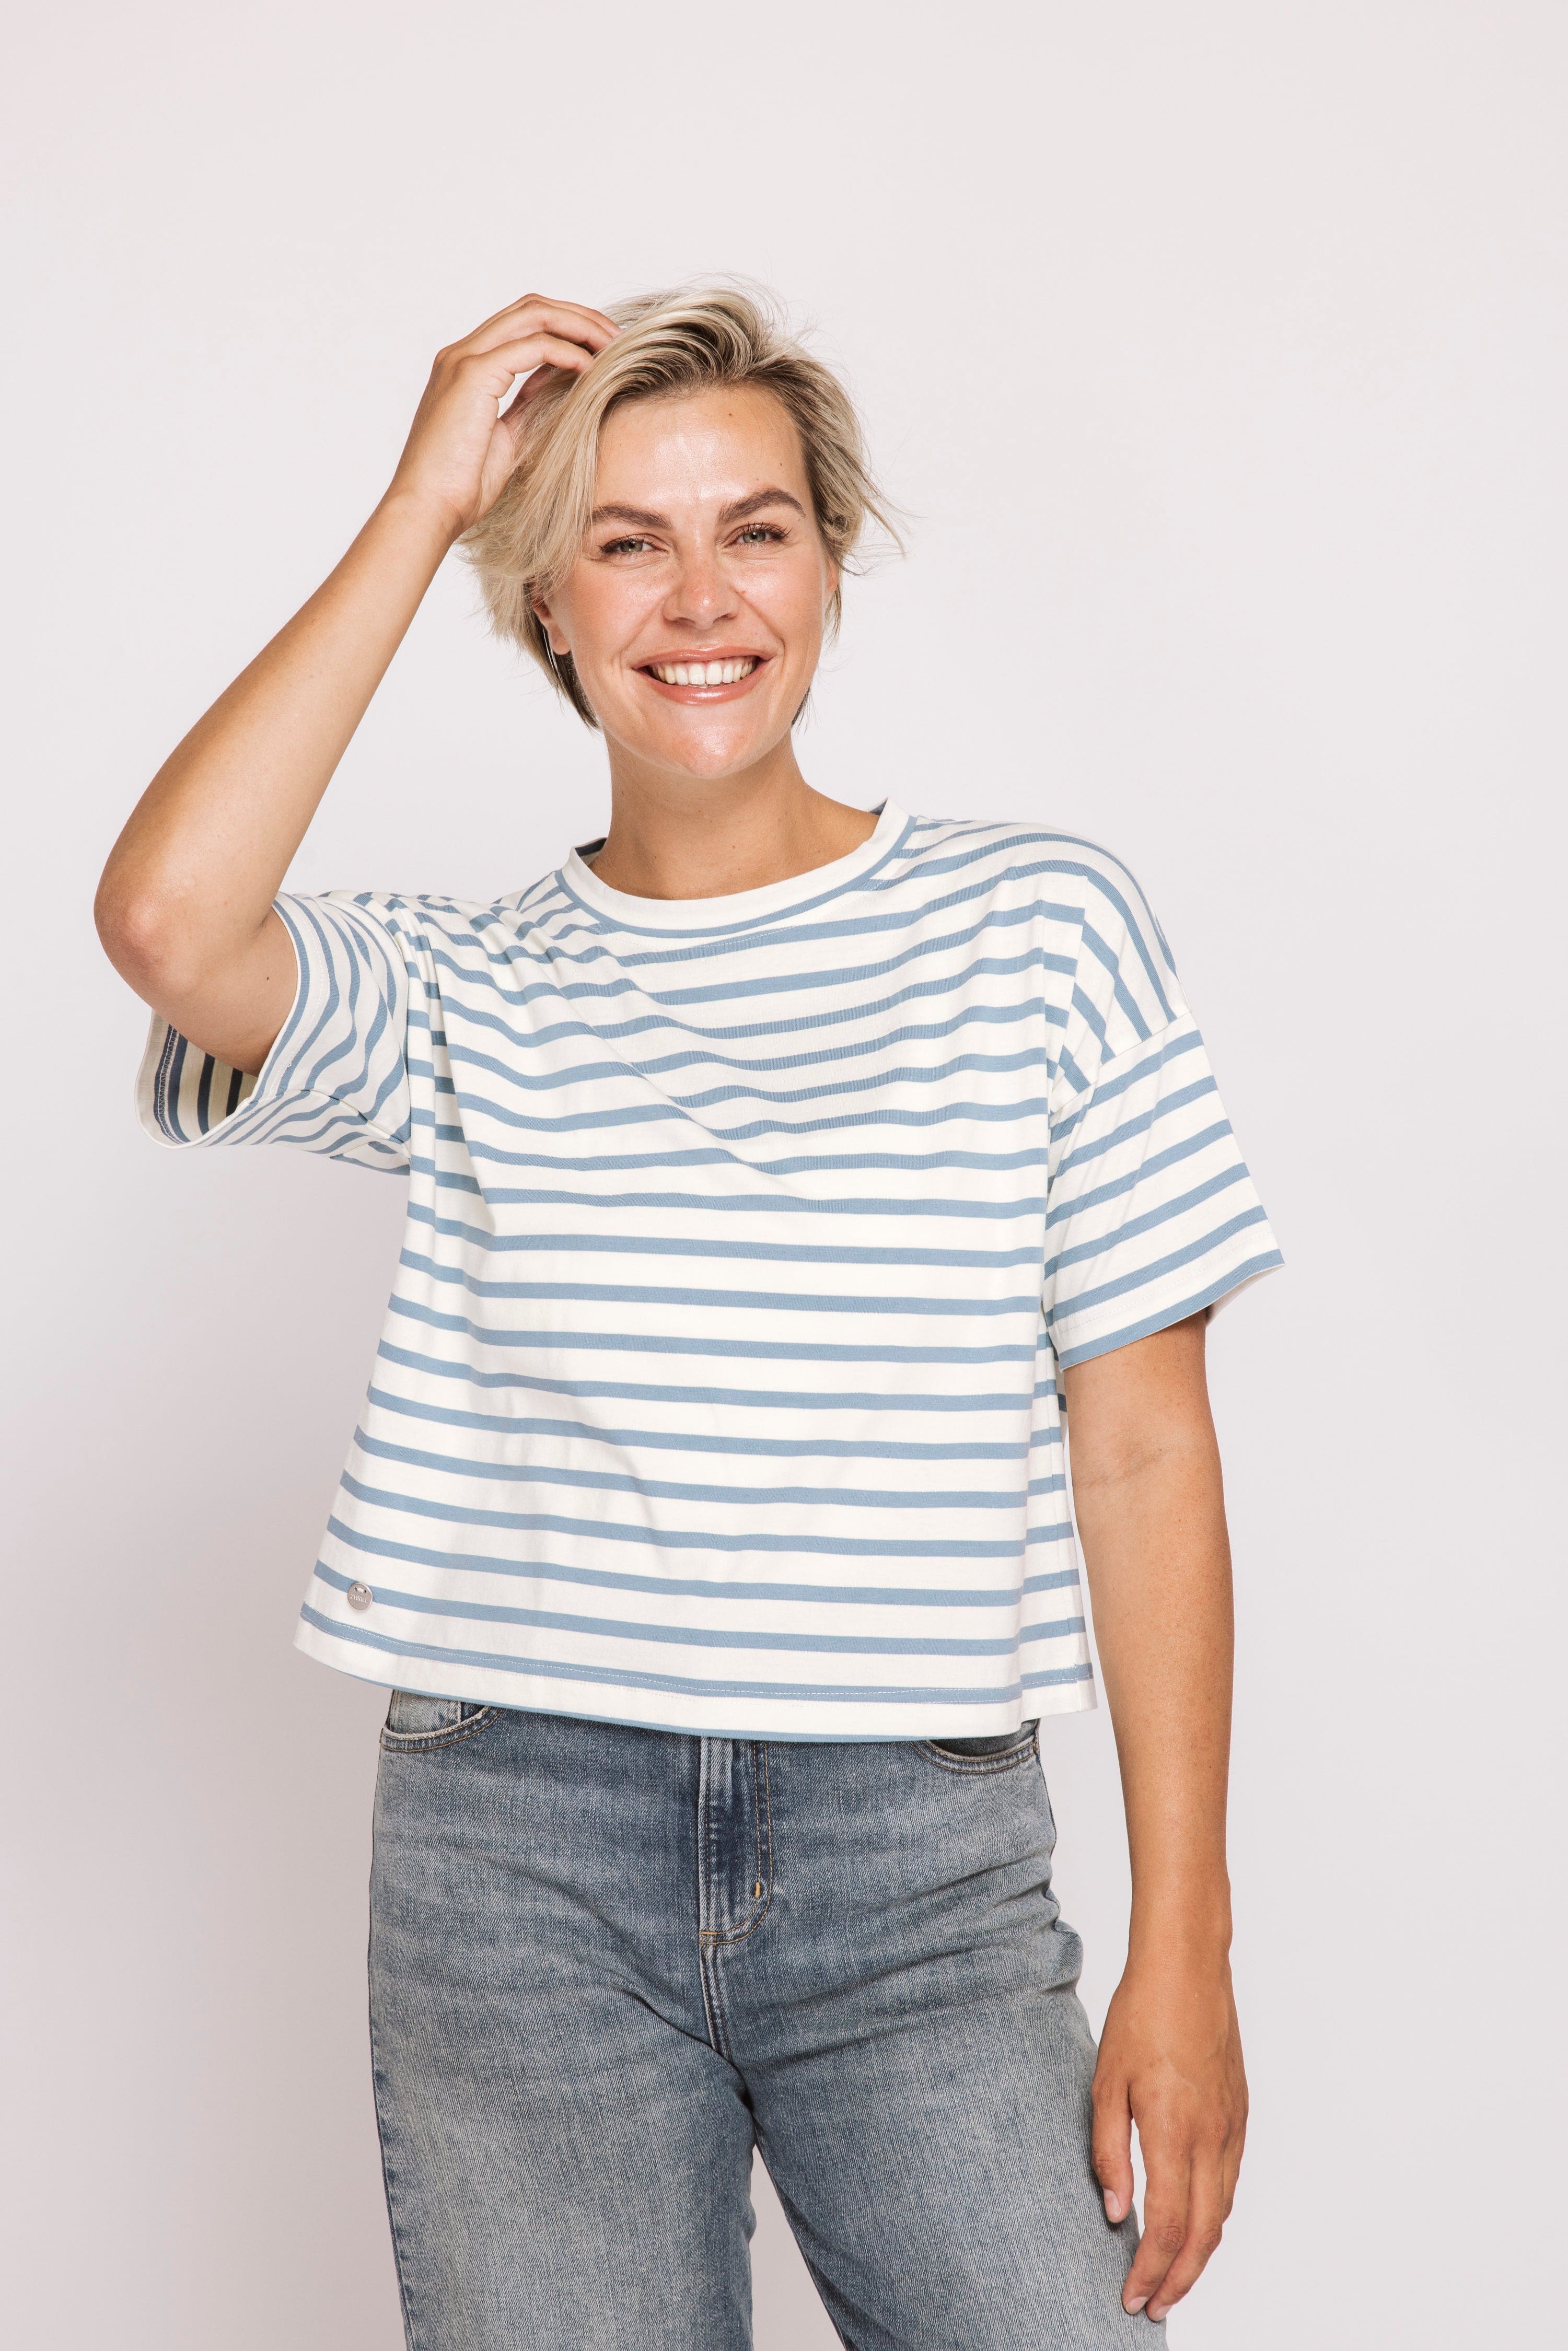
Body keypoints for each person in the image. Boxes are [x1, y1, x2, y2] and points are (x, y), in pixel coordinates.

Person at [96, 285, 1282, 2349]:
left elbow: (1144, 1443)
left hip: (918, 1861)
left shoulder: (1039, 927)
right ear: (543, 604)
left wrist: (1186, 1943)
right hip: (517, 1853)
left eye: (756, 529)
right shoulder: (461, 988)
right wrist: (421, 499)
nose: (699, 595)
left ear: (826, 564)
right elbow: (166, 918)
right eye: (623, 540)